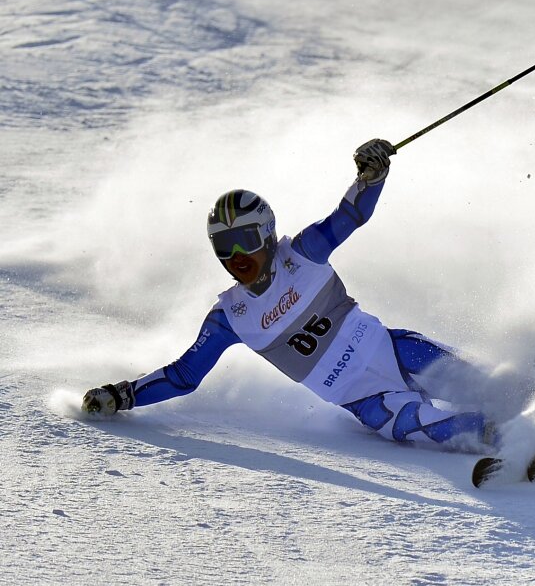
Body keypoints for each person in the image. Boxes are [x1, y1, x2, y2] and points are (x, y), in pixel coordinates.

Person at [82, 139, 494, 451]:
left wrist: (371, 177)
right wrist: (124, 395)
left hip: (394, 349)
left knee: (487, 384)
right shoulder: (230, 316)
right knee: (438, 426)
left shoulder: (302, 253)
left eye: (244, 240)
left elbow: (350, 215)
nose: (237, 256)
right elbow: (185, 375)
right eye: (224, 247)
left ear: (266, 233)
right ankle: (516, 446)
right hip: (371, 402)